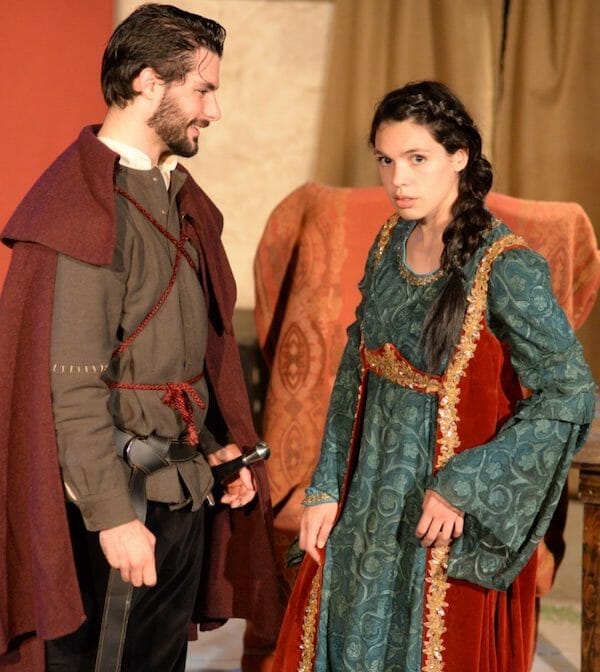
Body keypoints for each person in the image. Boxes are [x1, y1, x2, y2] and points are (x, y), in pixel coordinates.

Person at [273, 81, 595, 672]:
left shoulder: (506, 265)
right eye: (386, 160)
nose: (398, 179)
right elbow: (355, 370)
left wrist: (465, 484)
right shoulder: (389, 241)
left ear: (460, 156)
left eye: (417, 158)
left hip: (435, 512)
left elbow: (570, 391)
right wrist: (324, 487)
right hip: (368, 500)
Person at [0, 4, 279, 671]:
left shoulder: (175, 201)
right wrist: (112, 516)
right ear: (149, 82)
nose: (213, 110)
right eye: (203, 89)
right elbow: (69, 389)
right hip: (111, 510)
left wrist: (215, 449)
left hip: (179, 493)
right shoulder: (83, 210)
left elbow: (177, 360)